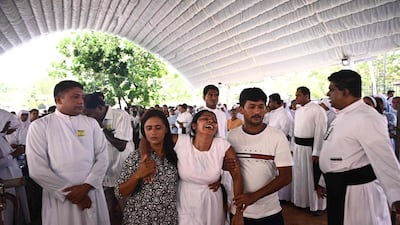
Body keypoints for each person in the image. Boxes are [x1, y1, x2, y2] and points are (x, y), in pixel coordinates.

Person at [319, 69, 400, 225]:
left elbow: (385, 158)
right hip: (338, 187)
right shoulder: (342, 116)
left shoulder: (367, 117)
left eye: (332, 89)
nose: (328, 94)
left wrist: (397, 196)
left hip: (357, 193)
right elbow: (335, 152)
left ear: (345, 92)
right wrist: (324, 180)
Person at [26, 80, 110, 225]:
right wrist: (71, 194)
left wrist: (87, 186)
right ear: (59, 100)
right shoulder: (40, 126)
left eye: (82, 97)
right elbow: (37, 169)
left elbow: (102, 157)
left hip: (91, 190)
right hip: (61, 196)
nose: (80, 102)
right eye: (75, 97)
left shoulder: (91, 124)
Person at [141, 109, 244, 225]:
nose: (210, 121)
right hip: (185, 201)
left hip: (211, 203)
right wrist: (146, 159)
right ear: (194, 126)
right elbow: (146, 139)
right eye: (205, 118)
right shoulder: (181, 141)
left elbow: (237, 176)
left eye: (214, 121)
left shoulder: (222, 145)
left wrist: (238, 212)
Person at [227, 88, 293, 225]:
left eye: (261, 107)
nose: (257, 112)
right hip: (239, 212)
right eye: (251, 107)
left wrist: (254, 196)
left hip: (269, 212)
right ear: (241, 109)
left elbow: (286, 176)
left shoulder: (277, 136)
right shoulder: (231, 136)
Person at [115, 110, 179, 224]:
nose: (153, 132)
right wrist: (137, 175)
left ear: (166, 130)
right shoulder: (136, 157)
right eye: (149, 128)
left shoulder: (175, 154)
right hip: (140, 219)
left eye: (158, 128)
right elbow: (120, 192)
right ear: (144, 131)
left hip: (168, 219)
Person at [84, 93, 135, 225]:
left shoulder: (120, 116)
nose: (87, 117)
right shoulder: (91, 121)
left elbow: (121, 145)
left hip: (123, 172)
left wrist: (101, 127)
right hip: (105, 175)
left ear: (100, 108)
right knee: (107, 212)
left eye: (89, 114)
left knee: (127, 210)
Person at [292, 86, 327, 215]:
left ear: (306, 96)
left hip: (310, 148)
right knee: (300, 175)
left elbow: (320, 131)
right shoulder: (299, 110)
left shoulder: (317, 110)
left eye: (298, 95)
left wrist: (317, 151)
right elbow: (295, 130)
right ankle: (302, 202)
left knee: (313, 177)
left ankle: (317, 206)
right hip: (298, 147)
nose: (296, 98)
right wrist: (293, 147)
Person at [0, 109, 31, 225]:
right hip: (5, 181)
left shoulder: (1, 138)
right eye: (6, 124)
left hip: (13, 178)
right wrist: (14, 154)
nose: (8, 127)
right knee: (6, 213)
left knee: (14, 210)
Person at [267, 93, 294, 203]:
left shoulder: (284, 114)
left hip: (281, 145)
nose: (269, 104)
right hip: (272, 144)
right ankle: (278, 195)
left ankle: (284, 197)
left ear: (275, 102)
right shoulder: (274, 113)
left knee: (282, 170)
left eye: (270, 102)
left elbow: (285, 131)